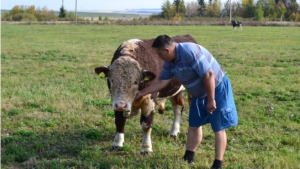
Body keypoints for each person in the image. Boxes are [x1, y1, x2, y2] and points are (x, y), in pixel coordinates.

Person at [135, 35, 238, 169]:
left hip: (216, 88)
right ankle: (189, 156)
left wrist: (211, 100)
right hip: (198, 94)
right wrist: (141, 93)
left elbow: (209, 75)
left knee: (218, 127)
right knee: (194, 124)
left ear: (167, 50)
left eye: (160, 54)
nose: (159, 57)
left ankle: (218, 163)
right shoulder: (169, 62)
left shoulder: (189, 52)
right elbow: (161, 82)